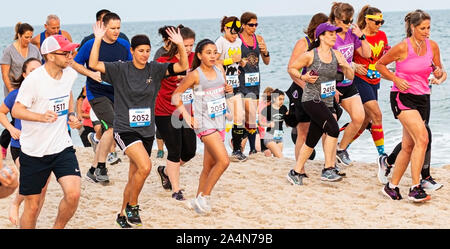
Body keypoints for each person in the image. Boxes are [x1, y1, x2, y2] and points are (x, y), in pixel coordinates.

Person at [89, 21, 188, 227]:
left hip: (146, 131)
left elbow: (183, 67)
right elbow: (94, 64)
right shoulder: (120, 69)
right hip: (125, 129)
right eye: (140, 50)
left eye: (148, 51)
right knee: (146, 166)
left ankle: (122, 214)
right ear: (132, 51)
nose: (144, 54)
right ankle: (133, 206)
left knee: (136, 175)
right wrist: (98, 39)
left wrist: (179, 45)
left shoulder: (155, 69)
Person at [12, 35, 82, 229]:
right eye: (66, 52)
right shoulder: (34, 81)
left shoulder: (70, 74)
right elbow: (16, 110)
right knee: (32, 207)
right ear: (50, 56)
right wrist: (41, 117)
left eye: (72, 52)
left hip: (62, 146)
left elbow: (67, 93)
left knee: (73, 194)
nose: (70, 56)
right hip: (34, 152)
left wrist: (71, 114)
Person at [376, 10, 445, 202]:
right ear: (412, 27)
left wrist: (439, 74)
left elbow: (440, 72)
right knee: (422, 139)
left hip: (423, 98)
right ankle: (415, 187)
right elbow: (379, 65)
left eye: (428, 28)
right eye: (422, 28)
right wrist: (395, 78)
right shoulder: (402, 47)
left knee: (408, 145)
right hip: (402, 97)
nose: (426, 32)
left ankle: (391, 186)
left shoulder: (433, 46)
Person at [287, 23, 354, 185]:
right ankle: (328, 169)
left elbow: (350, 76)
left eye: (334, 33)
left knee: (312, 138)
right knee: (333, 128)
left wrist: (346, 66)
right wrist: (303, 78)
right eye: (330, 33)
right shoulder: (311, 55)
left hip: (327, 100)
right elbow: (292, 68)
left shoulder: (337, 54)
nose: (334, 36)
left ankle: (295, 172)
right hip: (311, 99)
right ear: (321, 36)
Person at [173, 39, 233, 214]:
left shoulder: (220, 69)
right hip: (204, 122)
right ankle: (204, 197)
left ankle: (196, 201)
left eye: (215, 52)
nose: (213, 55)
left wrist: (228, 90)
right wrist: (187, 116)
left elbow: (221, 93)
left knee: (208, 166)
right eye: (208, 52)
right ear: (199, 55)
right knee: (224, 161)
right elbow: (176, 95)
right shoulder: (195, 75)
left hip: (219, 120)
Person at [73, 12, 132, 183]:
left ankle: (92, 171)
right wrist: (90, 74)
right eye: (113, 28)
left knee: (109, 130)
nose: (116, 31)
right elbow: (75, 63)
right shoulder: (91, 44)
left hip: (117, 93)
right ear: (103, 27)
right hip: (97, 93)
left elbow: (129, 67)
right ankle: (101, 167)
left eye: (118, 28)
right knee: (113, 126)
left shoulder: (123, 44)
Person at [0, 58, 46, 226]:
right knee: (33, 178)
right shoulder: (15, 94)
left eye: (39, 70)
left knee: (41, 188)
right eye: (32, 71)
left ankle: (32, 219)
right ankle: (15, 204)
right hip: (21, 146)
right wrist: (11, 129)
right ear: (25, 75)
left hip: (45, 146)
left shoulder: (48, 92)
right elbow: (1, 113)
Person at [155, 25, 197, 201]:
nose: (188, 49)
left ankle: (165, 171)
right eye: (185, 45)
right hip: (165, 111)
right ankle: (176, 190)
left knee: (189, 152)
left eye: (191, 45)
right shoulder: (162, 61)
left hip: (186, 110)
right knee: (174, 151)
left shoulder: (195, 58)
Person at [329, 2, 371, 167]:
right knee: (331, 125)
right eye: (346, 21)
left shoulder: (352, 35)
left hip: (348, 83)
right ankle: (329, 162)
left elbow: (367, 54)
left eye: (351, 21)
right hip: (332, 83)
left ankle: (341, 149)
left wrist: (361, 35)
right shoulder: (330, 36)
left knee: (359, 118)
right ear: (337, 20)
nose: (349, 25)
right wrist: (330, 87)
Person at [286, 13, 329, 162]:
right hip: (301, 88)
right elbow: (291, 69)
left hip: (319, 91)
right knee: (303, 132)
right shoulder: (303, 43)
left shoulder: (325, 45)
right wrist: (305, 86)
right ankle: (299, 167)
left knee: (327, 128)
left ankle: (329, 163)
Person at [350, 5, 389, 162]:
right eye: (376, 22)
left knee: (365, 119)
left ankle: (342, 147)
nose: (379, 25)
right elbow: (344, 56)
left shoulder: (382, 35)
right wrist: (354, 65)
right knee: (377, 115)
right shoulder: (356, 35)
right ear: (367, 20)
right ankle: (382, 155)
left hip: (375, 80)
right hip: (360, 80)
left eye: (382, 22)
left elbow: (384, 55)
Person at [1, 23, 42, 158]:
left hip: (33, 89)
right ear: (19, 35)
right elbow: (5, 73)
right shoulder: (9, 50)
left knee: (26, 118)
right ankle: (6, 145)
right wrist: (14, 92)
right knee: (16, 119)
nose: (29, 40)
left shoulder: (34, 49)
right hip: (15, 88)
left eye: (30, 37)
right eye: (26, 37)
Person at [232, 12, 270, 160]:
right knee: (241, 116)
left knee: (251, 116)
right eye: (251, 25)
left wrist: (265, 51)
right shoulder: (238, 40)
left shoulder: (259, 39)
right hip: (240, 81)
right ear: (243, 24)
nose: (254, 28)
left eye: (256, 25)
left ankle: (252, 149)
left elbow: (267, 62)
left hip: (254, 81)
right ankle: (238, 147)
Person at [215, 16, 246, 161]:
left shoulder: (239, 41)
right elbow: (214, 61)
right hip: (221, 86)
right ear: (225, 29)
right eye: (232, 32)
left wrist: (241, 63)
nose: (235, 36)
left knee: (239, 116)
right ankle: (216, 149)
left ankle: (237, 149)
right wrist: (231, 60)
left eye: (237, 33)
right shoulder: (220, 42)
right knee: (220, 118)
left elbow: (236, 61)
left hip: (235, 83)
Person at [154, 26, 175, 159]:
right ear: (165, 40)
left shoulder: (177, 52)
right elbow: (155, 72)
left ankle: (171, 147)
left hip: (175, 90)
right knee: (161, 122)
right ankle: (160, 150)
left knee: (173, 121)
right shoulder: (160, 53)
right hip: (160, 90)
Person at [260, 89, 288, 158]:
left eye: (283, 99)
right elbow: (260, 122)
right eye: (280, 99)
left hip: (279, 136)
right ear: (274, 98)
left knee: (277, 158)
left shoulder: (284, 108)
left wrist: (288, 122)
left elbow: (287, 120)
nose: (282, 101)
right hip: (269, 136)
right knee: (280, 157)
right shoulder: (268, 109)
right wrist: (268, 124)